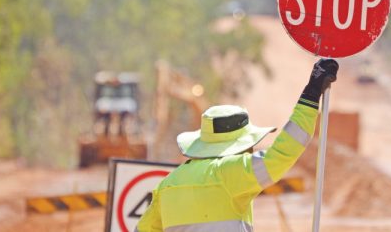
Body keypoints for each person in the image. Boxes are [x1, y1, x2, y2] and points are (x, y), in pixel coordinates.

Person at [136, 58, 339, 232]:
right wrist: (311, 93)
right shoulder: (229, 173)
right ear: (239, 145)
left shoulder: (169, 184)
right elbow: (284, 151)